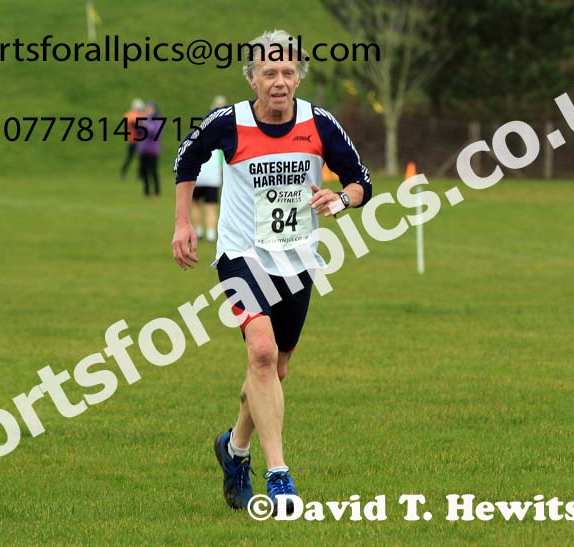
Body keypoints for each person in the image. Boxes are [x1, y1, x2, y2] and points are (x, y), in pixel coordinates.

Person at [172, 30, 372, 512]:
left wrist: (340, 198)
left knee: (274, 369)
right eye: (269, 73)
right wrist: (183, 222)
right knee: (260, 351)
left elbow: (360, 181)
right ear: (253, 79)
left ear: (298, 77)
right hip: (242, 256)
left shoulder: (319, 123)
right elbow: (186, 160)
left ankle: (234, 448)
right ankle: (278, 474)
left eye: (287, 73)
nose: (279, 82)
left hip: (298, 260)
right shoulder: (229, 123)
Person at [191, 96, 227, 243]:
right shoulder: (227, 132)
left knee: (196, 203)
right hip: (213, 176)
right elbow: (224, 156)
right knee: (211, 206)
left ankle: (199, 231)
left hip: (198, 175)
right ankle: (211, 233)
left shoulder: (201, 129)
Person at [137, 101, 162, 197]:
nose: (148, 111)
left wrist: (145, 125)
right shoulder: (144, 119)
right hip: (143, 150)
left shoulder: (157, 121)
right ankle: (146, 191)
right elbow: (139, 132)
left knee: (153, 171)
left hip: (153, 150)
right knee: (144, 171)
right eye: (147, 109)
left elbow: (155, 133)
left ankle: (157, 191)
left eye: (150, 109)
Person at [119, 98, 145, 180]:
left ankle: (139, 175)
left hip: (136, 140)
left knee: (138, 159)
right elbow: (136, 126)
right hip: (133, 140)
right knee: (131, 158)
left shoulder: (131, 115)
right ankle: (124, 174)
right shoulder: (133, 115)